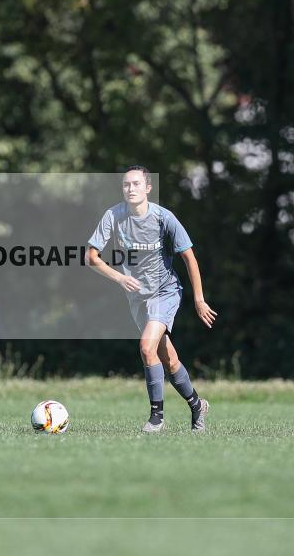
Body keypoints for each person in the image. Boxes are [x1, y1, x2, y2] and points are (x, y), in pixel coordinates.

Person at [86, 166, 218, 432]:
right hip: (137, 298)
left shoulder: (163, 217)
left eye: (136, 184)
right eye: (126, 185)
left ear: (148, 188)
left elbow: (189, 258)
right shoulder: (113, 216)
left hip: (164, 292)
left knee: (146, 347)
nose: (130, 189)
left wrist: (199, 300)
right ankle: (196, 405)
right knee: (168, 359)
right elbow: (91, 257)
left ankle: (156, 417)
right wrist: (120, 278)